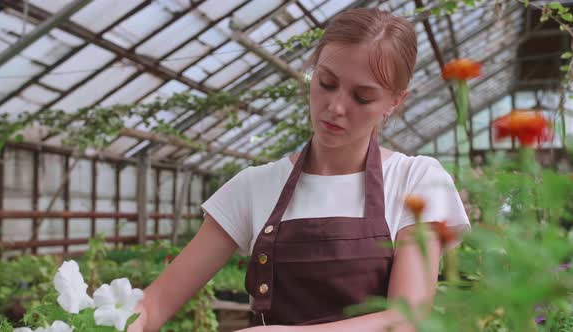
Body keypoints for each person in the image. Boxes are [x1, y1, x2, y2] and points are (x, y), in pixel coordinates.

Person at [129, 7, 470, 332]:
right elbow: (155, 304)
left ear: (396, 101)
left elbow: (405, 319)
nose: (336, 107)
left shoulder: (415, 181)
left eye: (362, 97)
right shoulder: (254, 186)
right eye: (326, 82)